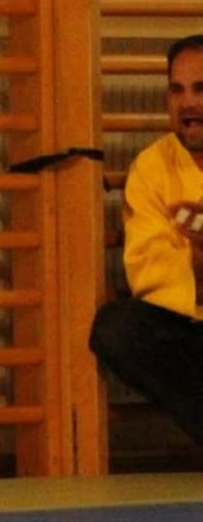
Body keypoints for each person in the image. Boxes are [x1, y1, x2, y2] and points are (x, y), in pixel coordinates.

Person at [89, 33, 203, 446]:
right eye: (177, 90)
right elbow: (149, 270)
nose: (188, 103)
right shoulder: (151, 168)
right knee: (116, 328)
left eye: (200, 89)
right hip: (187, 330)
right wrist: (197, 259)